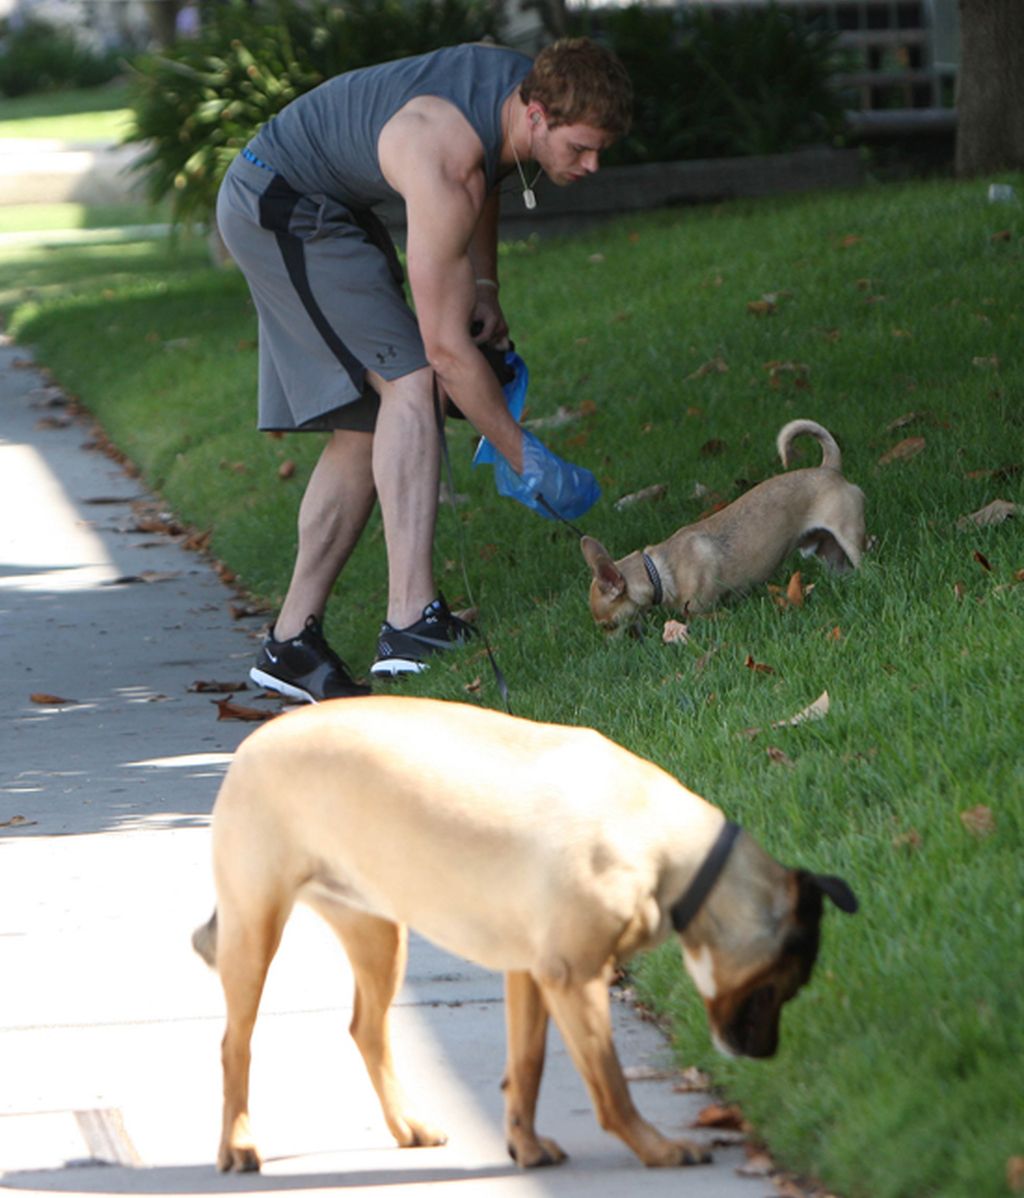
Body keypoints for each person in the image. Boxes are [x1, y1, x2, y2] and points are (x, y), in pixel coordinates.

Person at [216, 37, 633, 702]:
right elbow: (445, 354)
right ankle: (411, 622)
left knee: (369, 421)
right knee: (411, 381)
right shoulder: (445, 157)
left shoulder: (514, 96)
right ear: (537, 116)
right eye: (580, 148)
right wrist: (524, 457)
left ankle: (291, 644)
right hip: (280, 205)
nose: (592, 165)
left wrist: (485, 286)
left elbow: (488, 176)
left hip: (329, 204)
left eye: (600, 150)